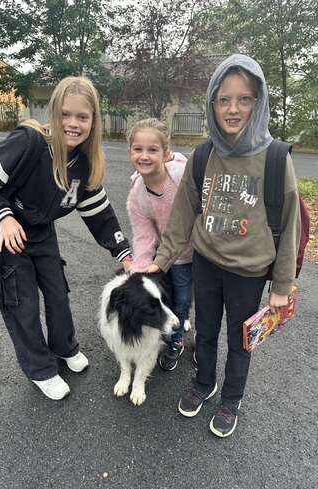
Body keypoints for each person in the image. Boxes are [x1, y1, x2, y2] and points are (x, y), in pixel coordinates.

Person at [145, 55, 300, 437]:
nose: (233, 109)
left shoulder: (276, 158)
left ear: (258, 102)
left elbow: (289, 225)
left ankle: (231, 398)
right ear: (212, 103)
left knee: (240, 340)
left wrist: (281, 288)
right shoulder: (204, 155)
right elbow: (183, 214)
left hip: (249, 272)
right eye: (223, 99)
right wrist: (161, 260)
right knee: (207, 331)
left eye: (244, 99)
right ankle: (203, 383)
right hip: (206, 263)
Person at [0, 76, 132, 401]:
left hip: (42, 233)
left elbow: (99, 212)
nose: (73, 123)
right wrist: (3, 215)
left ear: (93, 120)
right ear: (54, 113)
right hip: (7, 232)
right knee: (21, 304)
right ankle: (40, 369)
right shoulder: (28, 142)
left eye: (82, 117)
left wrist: (122, 251)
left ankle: (64, 348)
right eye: (66, 114)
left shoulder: (85, 161)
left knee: (57, 294)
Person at [126, 118, 193, 371]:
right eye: (138, 149)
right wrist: (137, 276)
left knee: (200, 296)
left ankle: (198, 332)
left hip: (205, 248)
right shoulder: (137, 196)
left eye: (152, 150)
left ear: (166, 154)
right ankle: (177, 340)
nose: (144, 156)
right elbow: (144, 238)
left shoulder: (182, 176)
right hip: (173, 255)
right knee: (178, 296)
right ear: (130, 152)